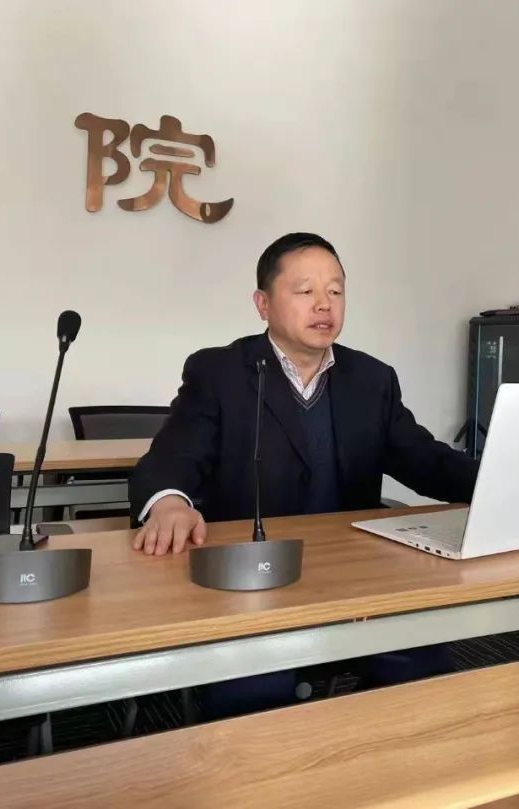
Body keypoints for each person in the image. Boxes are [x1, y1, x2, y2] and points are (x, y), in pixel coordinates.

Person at [129, 232, 480, 717]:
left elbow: (424, 459)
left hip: (353, 577)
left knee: (425, 670)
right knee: (253, 699)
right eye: (305, 291)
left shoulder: (371, 378)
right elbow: (174, 454)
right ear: (263, 304)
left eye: (335, 291)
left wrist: (500, 484)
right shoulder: (221, 372)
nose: (324, 304)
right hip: (253, 581)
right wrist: (170, 502)